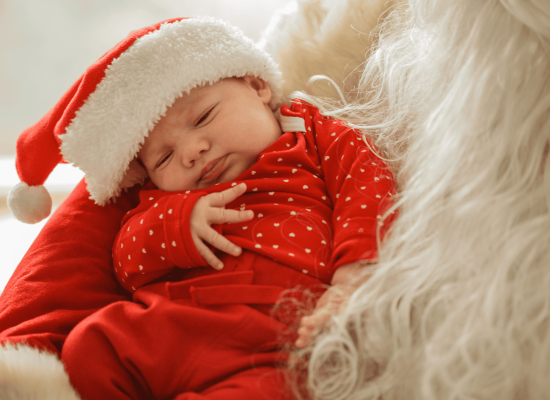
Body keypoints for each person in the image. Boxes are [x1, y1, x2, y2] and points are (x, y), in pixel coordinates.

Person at [8, 17, 395, 399]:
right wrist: (177, 223)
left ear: (258, 86)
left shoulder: (314, 136)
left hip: (273, 336)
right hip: (170, 321)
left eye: (203, 117)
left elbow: (366, 190)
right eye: (164, 158)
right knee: (89, 348)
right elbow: (126, 263)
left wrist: (351, 280)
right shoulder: (166, 199)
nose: (192, 152)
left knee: (271, 390)